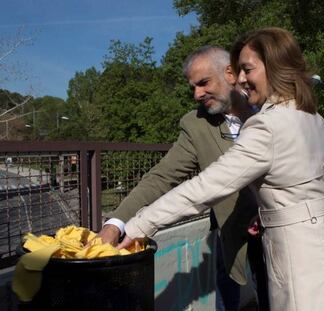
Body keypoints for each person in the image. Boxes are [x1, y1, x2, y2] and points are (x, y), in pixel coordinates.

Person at [118, 27, 324, 311]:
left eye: (247, 69)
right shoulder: (312, 116)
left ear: (273, 67)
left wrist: (139, 226)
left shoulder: (267, 125)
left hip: (303, 261)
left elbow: (204, 188)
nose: (242, 78)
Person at [98, 46, 269, 310]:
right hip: (228, 230)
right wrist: (116, 224)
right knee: (226, 294)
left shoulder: (268, 107)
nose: (197, 94)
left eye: (203, 83)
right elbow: (161, 177)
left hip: (276, 230)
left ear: (230, 73)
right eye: (193, 87)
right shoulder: (195, 124)